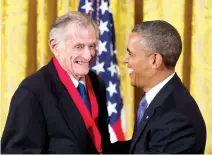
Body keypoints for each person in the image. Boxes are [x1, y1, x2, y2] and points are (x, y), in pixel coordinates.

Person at [1, 11, 111, 154]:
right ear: (55, 46)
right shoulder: (32, 92)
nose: (88, 55)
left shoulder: (97, 83)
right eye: (79, 47)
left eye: (92, 46)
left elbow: (102, 147)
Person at [124, 20, 206, 153]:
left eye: (131, 54)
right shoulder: (159, 98)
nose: (125, 59)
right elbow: (139, 147)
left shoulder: (175, 119)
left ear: (155, 60)